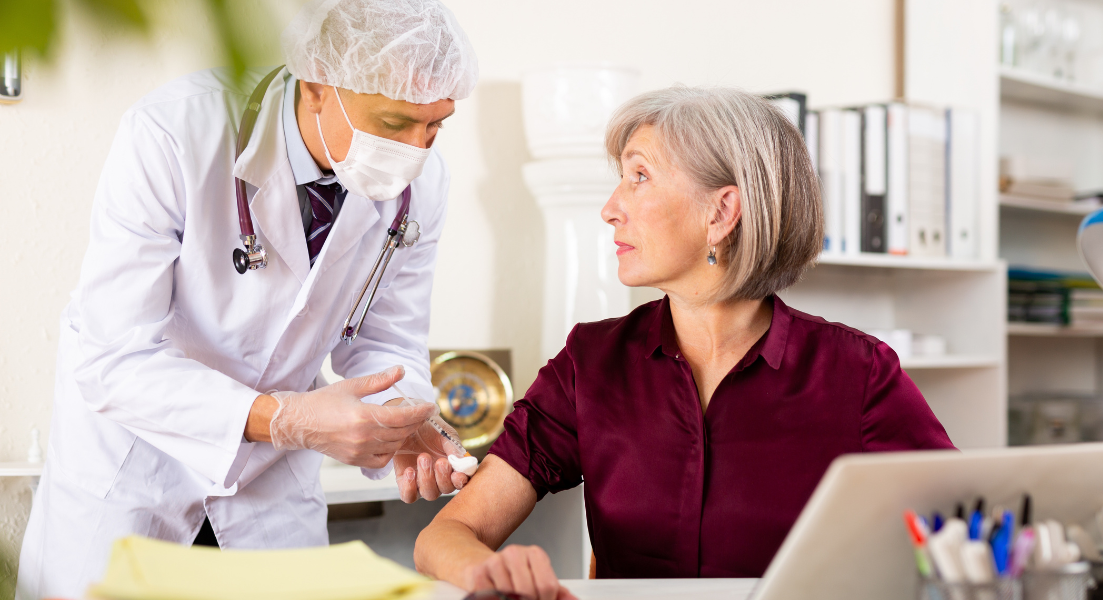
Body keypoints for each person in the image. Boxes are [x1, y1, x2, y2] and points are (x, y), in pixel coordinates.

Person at [413, 87, 957, 599]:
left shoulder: (857, 373)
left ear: (721, 212)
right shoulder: (590, 363)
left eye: (640, 176)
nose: (610, 207)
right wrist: (486, 569)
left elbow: (964, 534)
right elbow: (447, 534)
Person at [16, 0, 478, 597]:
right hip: (135, 473)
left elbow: (385, 340)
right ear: (317, 87)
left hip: (269, 498)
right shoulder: (176, 133)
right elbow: (112, 359)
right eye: (394, 125)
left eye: (436, 125)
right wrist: (286, 418)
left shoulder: (421, 184)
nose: (417, 151)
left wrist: (402, 417)